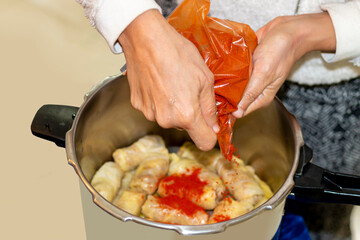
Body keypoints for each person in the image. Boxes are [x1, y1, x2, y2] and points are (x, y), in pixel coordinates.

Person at [76, 0, 360, 239]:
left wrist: (319, 30)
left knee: (323, 226)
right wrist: (131, 21)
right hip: (175, 44)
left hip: (336, 83)